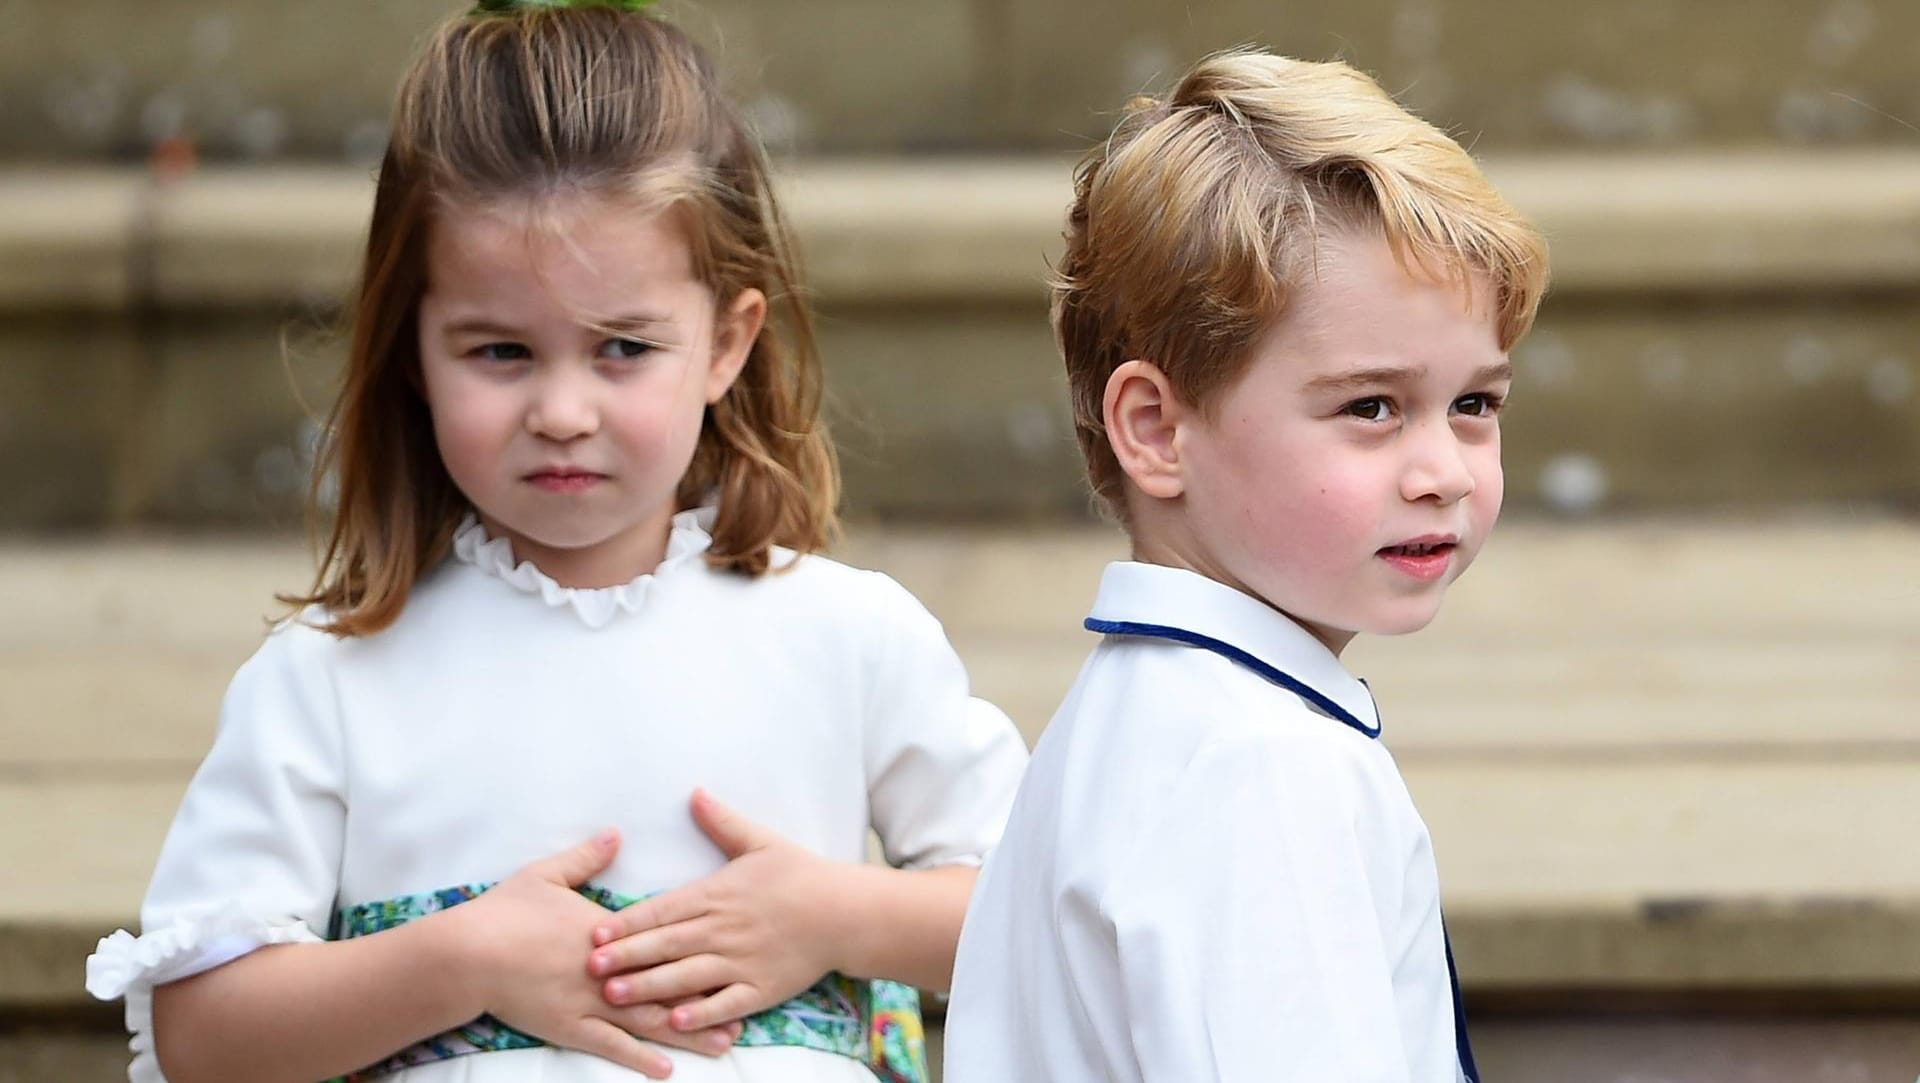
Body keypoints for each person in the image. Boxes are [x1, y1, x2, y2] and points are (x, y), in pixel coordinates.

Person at [84, 3, 1026, 1081]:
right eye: (499, 351)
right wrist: (459, 961)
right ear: (412, 357)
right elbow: (205, 1036)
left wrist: (836, 916)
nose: (563, 410)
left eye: (623, 347)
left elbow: (1041, 910)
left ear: (727, 342)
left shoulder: (851, 638)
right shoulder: (331, 683)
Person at [943, 47, 1549, 1082]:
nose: (1443, 470)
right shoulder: (1258, 771)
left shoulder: (1155, 720)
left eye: (1473, 405)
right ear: (1157, 430)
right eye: (1371, 407)